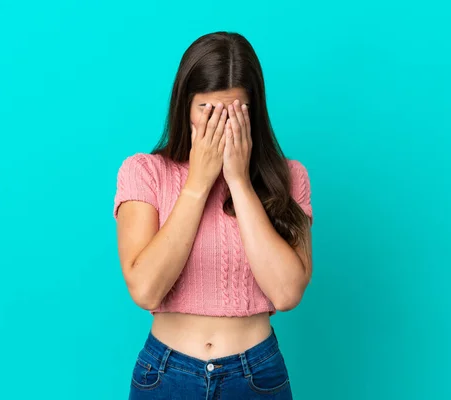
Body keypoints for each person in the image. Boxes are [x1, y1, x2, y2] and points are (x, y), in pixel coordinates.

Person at [113, 31, 313, 400]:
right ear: (184, 105)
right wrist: (198, 183)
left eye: (235, 112)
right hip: (166, 374)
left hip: (256, 376)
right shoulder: (144, 173)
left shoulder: (289, 178)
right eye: (207, 110)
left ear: (254, 111)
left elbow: (286, 293)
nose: (220, 125)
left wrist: (239, 182)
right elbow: (145, 289)